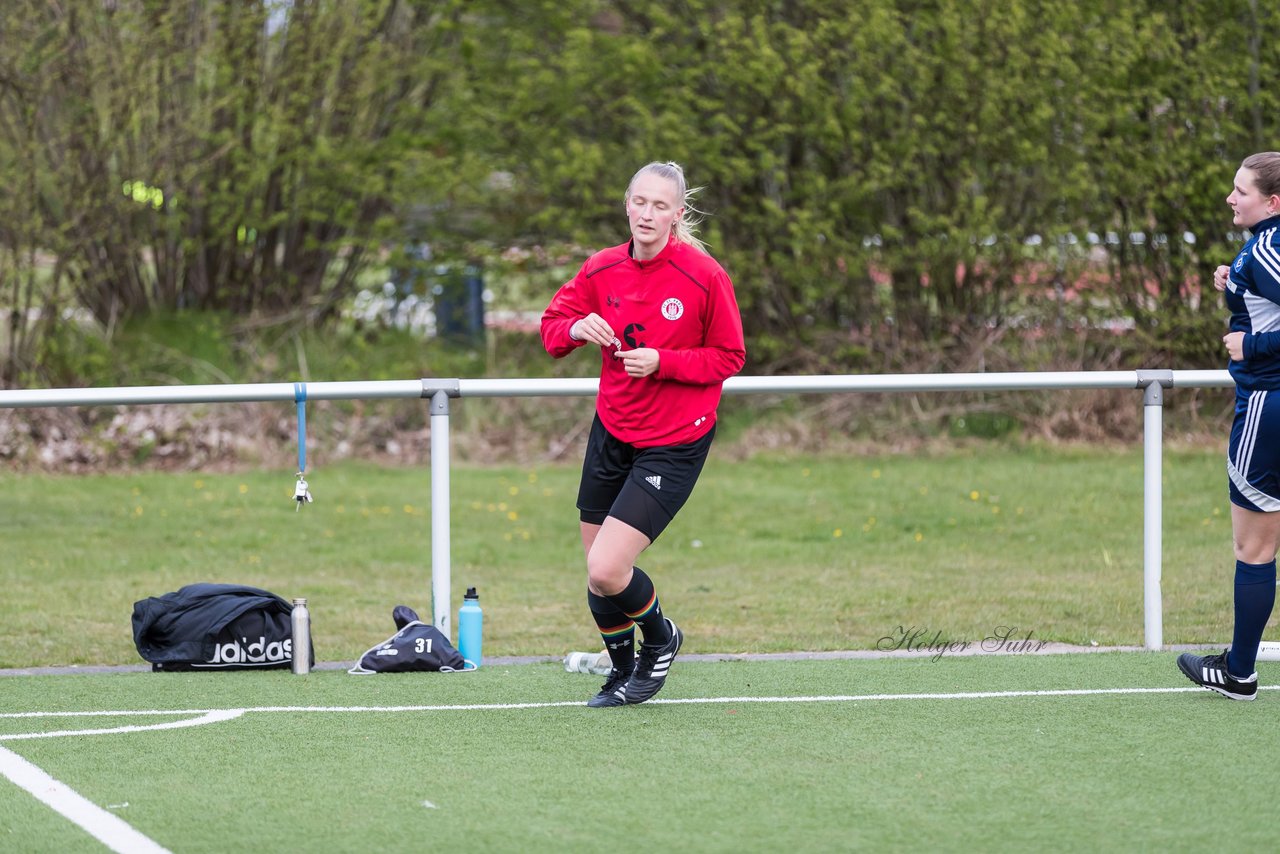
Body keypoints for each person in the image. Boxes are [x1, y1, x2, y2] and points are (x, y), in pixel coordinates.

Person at [540, 161, 746, 707]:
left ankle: (662, 638)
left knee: (609, 567)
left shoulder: (705, 276)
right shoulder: (602, 269)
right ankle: (621, 671)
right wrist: (575, 327)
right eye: (640, 202)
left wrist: (664, 361)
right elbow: (551, 329)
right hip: (613, 430)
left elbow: (730, 356)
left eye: (661, 206)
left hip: (675, 439)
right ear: (626, 205)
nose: (648, 214)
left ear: (678, 214)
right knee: (596, 573)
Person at [1178, 152, 1280, 701]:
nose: (1230, 198)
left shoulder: (1266, 250)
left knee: (1255, 548)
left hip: (1268, 406)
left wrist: (1252, 344)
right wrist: (1235, 281)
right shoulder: (1262, 249)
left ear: (1273, 202)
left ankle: (1239, 671)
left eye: (1241, 191)